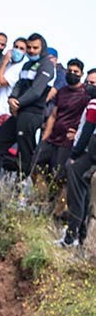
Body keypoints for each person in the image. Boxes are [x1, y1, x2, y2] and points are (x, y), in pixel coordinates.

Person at [0, 33, 56, 177]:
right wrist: (12, 98)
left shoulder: (47, 65)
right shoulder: (27, 64)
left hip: (32, 114)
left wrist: (18, 102)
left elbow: (36, 91)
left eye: (35, 48)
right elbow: (19, 84)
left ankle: (21, 192)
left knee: (24, 154)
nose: (31, 50)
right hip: (18, 112)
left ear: (42, 48)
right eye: (29, 47)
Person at [36, 60, 91, 180]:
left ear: (81, 74)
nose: (72, 74)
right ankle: (40, 196)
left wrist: (78, 135)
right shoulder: (62, 91)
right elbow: (53, 115)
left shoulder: (86, 94)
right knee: (36, 165)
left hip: (67, 141)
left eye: (76, 72)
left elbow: (89, 119)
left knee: (59, 175)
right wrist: (45, 137)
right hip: (52, 137)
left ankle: (55, 198)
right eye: (70, 71)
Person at [60, 74, 96, 246]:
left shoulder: (94, 104)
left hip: (87, 153)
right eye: (88, 82)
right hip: (89, 154)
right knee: (84, 194)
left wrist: (74, 155)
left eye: (93, 83)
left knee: (77, 196)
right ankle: (80, 236)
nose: (89, 86)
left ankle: (71, 236)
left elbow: (88, 131)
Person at [0, 38, 27, 135]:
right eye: (16, 47)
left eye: (21, 49)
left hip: (4, 113)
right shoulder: (10, 65)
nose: (17, 50)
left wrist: (4, 61)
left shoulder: (18, 68)